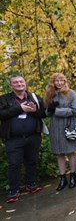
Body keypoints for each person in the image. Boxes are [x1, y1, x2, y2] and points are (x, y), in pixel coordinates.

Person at [0, 75, 47, 203]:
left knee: (31, 161)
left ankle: (31, 183)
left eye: (21, 81)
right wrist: (20, 108)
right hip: (14, 138)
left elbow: (44, 113)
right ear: (11, 85)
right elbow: (2, 115)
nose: (19, 84)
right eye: (15, 82)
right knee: (14, 164)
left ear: (25, 83)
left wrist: (34, 110)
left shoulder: (34, 96)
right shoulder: (4, 99)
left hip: (33, 136)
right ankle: (14, 190)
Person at [44, 73, 76, 191]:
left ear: (65, 81)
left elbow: (75, 110)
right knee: (59, 153)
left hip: (68, 125)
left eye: (62, 81)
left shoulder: (71, 93)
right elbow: (47, 112)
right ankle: (62, 177)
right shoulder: (50, 94)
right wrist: (49, 110)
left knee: (70, 152)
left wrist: (57, 110)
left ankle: (72, 175)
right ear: (53, 82)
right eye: (57, 81)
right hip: (55, 127)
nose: (59, 83)